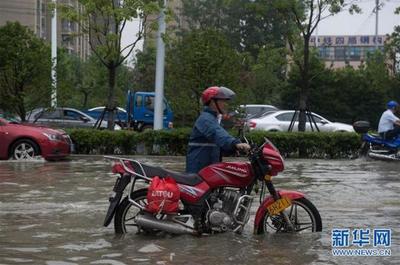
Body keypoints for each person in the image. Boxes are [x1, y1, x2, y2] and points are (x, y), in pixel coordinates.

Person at [186, 86, 251, 173]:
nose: (226, 104)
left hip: (207, 168)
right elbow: (218, 134)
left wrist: (233, 149)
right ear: (213, 102)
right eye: (222, 101)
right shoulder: (206, 119)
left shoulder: (213, 119)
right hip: (199, 171)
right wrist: (235, 143)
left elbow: (217, 142)